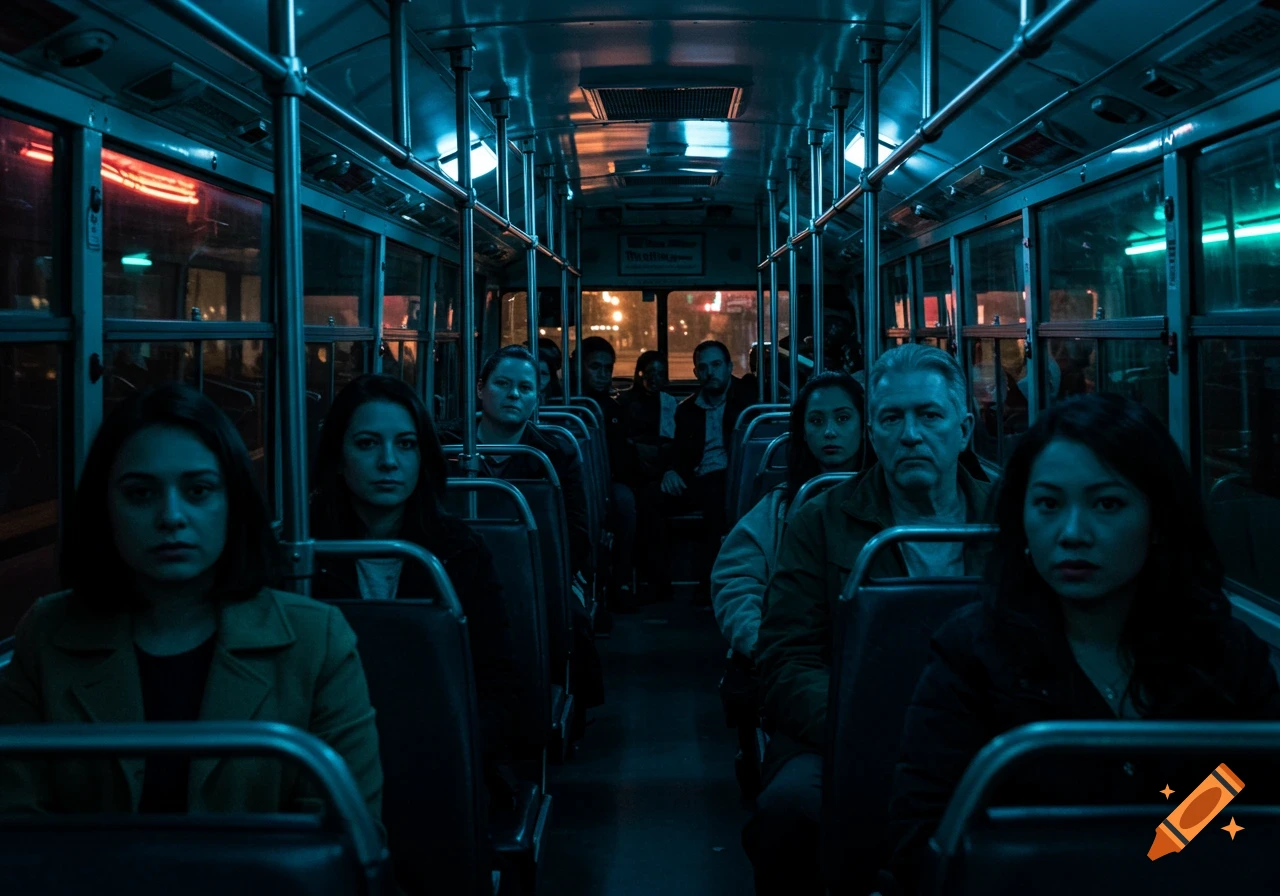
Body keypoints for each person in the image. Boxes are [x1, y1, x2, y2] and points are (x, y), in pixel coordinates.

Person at [882, 392, 1280, 894]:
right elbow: (925, 837)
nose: (1072, 533)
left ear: (1158, 519)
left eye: (1107, 504)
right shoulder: (973, 655)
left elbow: (1253, 796)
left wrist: (1159, 853)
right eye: (1048, 504)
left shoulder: (1222, 652)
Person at [0, 383, 383, 829]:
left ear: (232, 502)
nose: (171, 516)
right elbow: (18, 827)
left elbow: (344, 837)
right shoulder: (47, 636)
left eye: (198, 491)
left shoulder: (316, 641)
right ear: (104, 509)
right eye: (141, 494)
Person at [744, 343, 998, 896]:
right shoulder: (821, 521)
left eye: (929, 416)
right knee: (789, 811)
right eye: (891, 418)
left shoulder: (1009, 517)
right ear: (873, 435)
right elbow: (788, 657)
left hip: (980, 728)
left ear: (963, 428)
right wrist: (861, 723)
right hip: (844, 726)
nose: (910, 435)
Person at [308, 374, 518, 808]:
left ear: (423, 456)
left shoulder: (460, 553)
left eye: (405, 445)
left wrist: (456, 748)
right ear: (339, 456)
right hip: (326, 760)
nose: (389, 461)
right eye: (367, 444)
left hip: (439, 751)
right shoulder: (303, 554)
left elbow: (495, 678)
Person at [711, 372, 871, 658]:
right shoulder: (780, 506)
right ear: (803, 432)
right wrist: (761, 642)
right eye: (817, 421)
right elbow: (736, 579)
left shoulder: (889, 496)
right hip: (794, 648)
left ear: (864, 426)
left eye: (843, 418)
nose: (830, 432)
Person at [640, 340, 751, 605]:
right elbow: (678, 452)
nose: (710, 373)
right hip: (697, 477)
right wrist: (670, 471)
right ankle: (659, 585)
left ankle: (708, 584)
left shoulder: (746, 399)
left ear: (729, 368)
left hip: (735, 475)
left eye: (716, 365)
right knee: (649, 499)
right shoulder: (687, 410)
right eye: (703, 367)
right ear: (695, 373)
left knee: (715, 494)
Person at [572, 336, 639, 613]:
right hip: (576, 483)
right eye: (595, 368)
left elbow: (622, 457)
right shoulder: (565, 407)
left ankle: (621, 580)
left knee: (625, 502)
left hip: (608, 481)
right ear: (580, 368)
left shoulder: (613, 409)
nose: (602, 375)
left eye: (607, 369)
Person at [621, 350, 679, 484]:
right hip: (635, 463)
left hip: (662, 462)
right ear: (640, 373)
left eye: (660, 374)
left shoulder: (669, 403)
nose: (654, 379)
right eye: (650, 372)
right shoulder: (625, 402)